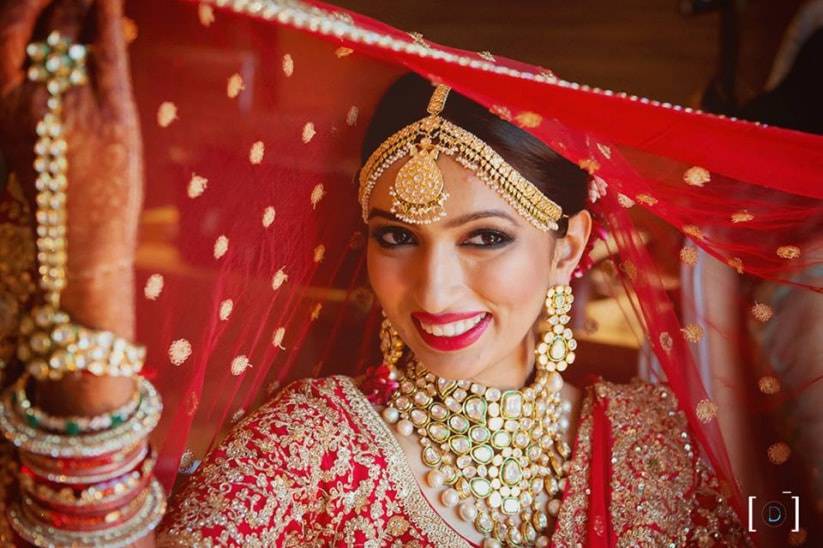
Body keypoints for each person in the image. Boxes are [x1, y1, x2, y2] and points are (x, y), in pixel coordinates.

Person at [0, 0, 820, 546]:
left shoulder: (652, 447)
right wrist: (95, 267)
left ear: (568, 248)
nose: (432, 291)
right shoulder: (306, 453)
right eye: (396, 235)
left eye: (485, 238)